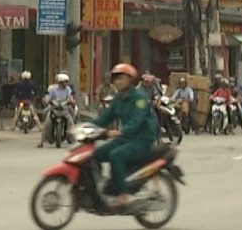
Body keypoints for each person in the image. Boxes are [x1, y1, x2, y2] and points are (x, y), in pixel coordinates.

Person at [90, 63, 158, 208]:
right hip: (126, 139)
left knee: (116, 155)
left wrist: (120, 131)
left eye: (122, 79)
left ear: (130, 80)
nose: (118, 82)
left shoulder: (139, 98)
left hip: (142, 140)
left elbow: (136, 121)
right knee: (95, 154)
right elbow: (105, 118)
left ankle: (123, 195)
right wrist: (87, 127)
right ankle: (102, 187)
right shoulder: (118, 98)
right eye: (116, 79)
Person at [39, 73, 76, 147]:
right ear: (60, 82)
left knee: (71, 123)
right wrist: (46, 100)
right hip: (54, 108)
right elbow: (48, 97)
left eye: (66, 81)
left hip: (64, 109)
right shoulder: (52, 89)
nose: (66, 83)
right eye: (65, 82)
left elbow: (70, 97)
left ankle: (75, 140)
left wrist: (71, 101)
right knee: (47, 123)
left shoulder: (68, 89)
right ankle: (41, 142)